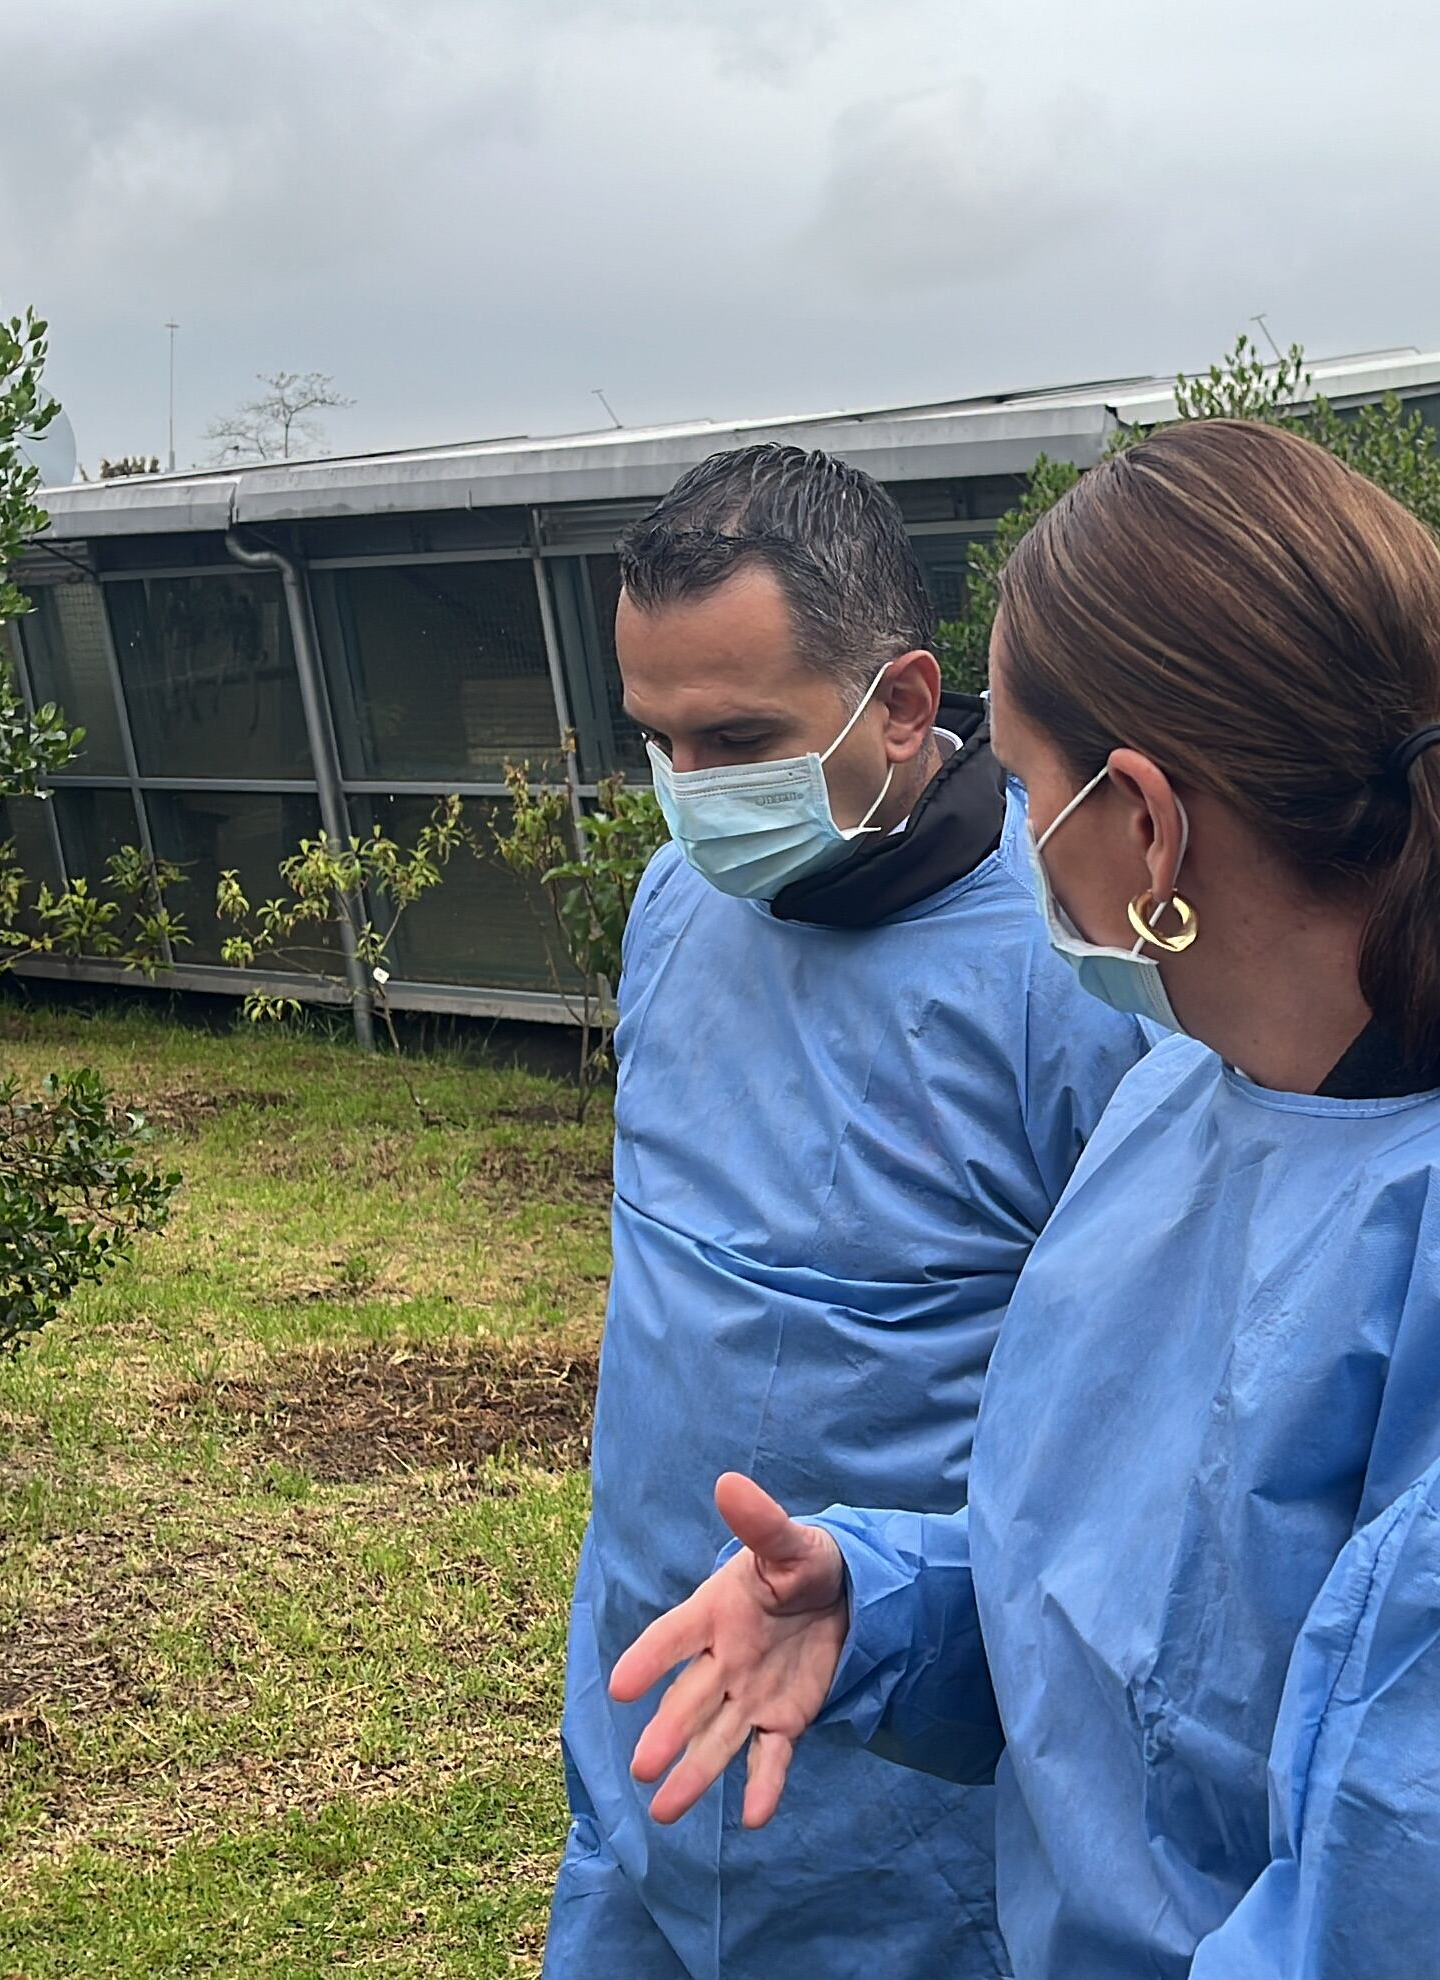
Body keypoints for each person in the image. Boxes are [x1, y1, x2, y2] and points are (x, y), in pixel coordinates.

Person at [602, 419, 1440, 1977]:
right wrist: (895, 1610)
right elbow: (1172, 1618)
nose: (1012, 840)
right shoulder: (1197, 1100)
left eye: (1025, 784)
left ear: (1145, 823)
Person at [544, 445, 1152, 1979]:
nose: (692, 796)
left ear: (900, 703)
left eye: (740, 740)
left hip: (903, 1790)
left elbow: (1138, 1439)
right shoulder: (681, 905)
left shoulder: (1067, 979)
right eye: (658, 743)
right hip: (644, 1719)